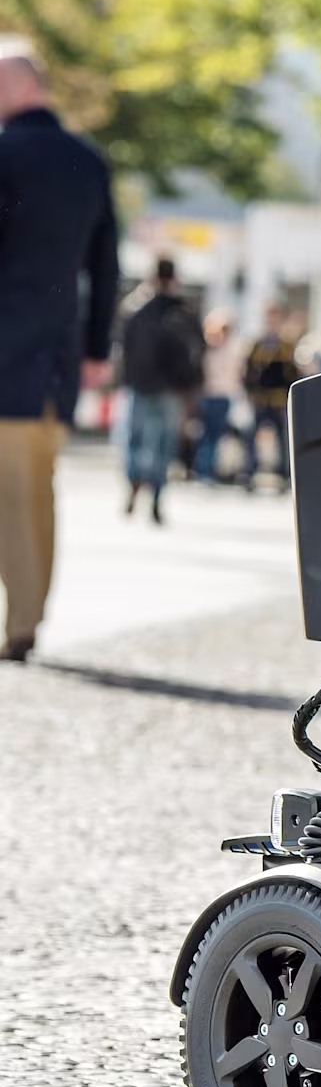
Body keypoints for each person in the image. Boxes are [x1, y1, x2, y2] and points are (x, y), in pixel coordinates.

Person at [0, 38, 119, 662]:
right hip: (59, 362)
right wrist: (97, 348)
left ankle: (20, 624)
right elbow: (106, 264)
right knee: (37, 490)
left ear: (18, 86)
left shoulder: (3, 153)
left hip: (7, 358)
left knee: (13, 494)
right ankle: (29, 614)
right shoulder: (88, 160)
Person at [118, 257, 205, 522]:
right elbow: (198, 350)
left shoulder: (136, 310)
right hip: (172, 389)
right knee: (163, 444)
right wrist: (193, 388)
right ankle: (155, 493)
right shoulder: (184, 312)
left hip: (140, 385)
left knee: (134, 439)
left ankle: (135, 482)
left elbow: (124, 348)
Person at [242, 302, 300, 489]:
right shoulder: (258, 345)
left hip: (278, 399)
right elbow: (249, 372)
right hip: (261, 399)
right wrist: (250, 392)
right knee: (251, 436)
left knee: (283, 439)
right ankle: (249, 472)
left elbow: (292, 373)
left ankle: (285, 475)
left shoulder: (286, 346)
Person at [194, 310, 242, 484]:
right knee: (208, 435)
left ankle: (208, 470)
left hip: (223, 396)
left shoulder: (232, 349)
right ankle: (203, 471)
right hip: (210, 396)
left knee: (214, 436)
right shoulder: (207, 349)